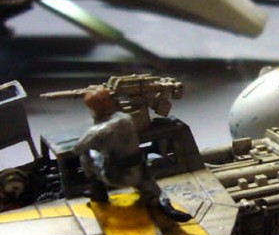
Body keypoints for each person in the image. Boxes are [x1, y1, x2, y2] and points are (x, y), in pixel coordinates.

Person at [73, 87, 191, 222]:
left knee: (85, 155)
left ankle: (98, 192)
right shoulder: (126, 118)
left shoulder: (97, 131)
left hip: (114, 176)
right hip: (140, 172)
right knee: (153, 190)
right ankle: (163, 204)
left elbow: (77, 148)